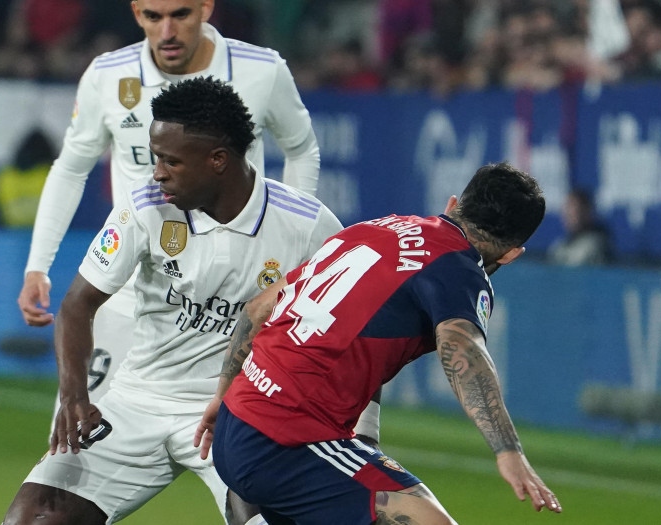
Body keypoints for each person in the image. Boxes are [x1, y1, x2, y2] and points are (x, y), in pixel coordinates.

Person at [3, 77, 341, 525]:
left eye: (170, 161)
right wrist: (74, 394)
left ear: (218, 160)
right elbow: (77, 305)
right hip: (138, 399)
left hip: (242, 409)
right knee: (33, 519)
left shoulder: (308, 226)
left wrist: (363, 431)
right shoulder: (144, 206)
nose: (156, 172)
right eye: (155, 157)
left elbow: (352, 332)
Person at [196, 162, 563, 524]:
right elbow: (464, 353)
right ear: (513, 252)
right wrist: (508, 451)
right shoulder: (460, 270)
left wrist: (221, 397)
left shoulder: (373, 228)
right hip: (287, 442)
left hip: (236, 419)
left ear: (453, 205)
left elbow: (258, 308)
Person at [17, 0, 323, 412]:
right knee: (74, 442)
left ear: (205, 8)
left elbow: (301, 150)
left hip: (232, 304)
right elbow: (71, 168)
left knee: (248, 460)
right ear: (135, 12)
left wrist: (290, 253)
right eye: (153, 17)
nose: (167, 32)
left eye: (179, 14)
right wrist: (38, 265)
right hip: (130, 292)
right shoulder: (108, 76)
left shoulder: (262, 70)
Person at [548, 188, 612, 266]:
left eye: (574, 210)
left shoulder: (595, 245)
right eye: (566, 210)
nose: (568, 215)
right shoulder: (560, 246)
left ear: (587, 213)